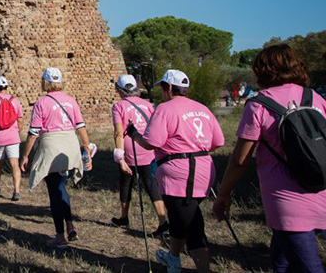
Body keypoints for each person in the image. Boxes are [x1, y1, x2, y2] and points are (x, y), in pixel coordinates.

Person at [213, 44, 326, 273]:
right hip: (321, 188)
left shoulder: (259, 104)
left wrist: (223, 194)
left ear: (262, 71)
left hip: (287, 203)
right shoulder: (315, 97)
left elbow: (240, 159)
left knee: (309, 267)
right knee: (281, 260)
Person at [127, 69, 224, 273]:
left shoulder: (165, 109)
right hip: (204, 171)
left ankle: (203, 269)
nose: (162, 92)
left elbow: (152, 142)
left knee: (193, 226)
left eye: (163, 88)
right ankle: (173, 258)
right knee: (180, 217)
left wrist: (135, 135)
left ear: (169, 88)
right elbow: (218, 141)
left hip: (180, 176)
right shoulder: (202, 108)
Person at [21, 67, 91, 249]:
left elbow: (33, 133)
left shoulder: (41, 103)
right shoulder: (71, 101)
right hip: (70, 144)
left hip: (52, 145)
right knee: (62, 187)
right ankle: (70, 224)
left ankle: (60, 236)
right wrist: (86, 152)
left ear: (45, 81)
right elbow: (81, 128)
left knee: (54, 191)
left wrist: (26, 155)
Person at [110, 74, 168, 235]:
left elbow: (118, 132)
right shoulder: (148, 105)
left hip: (130, 152)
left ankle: (123, 217)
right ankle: (163, 222)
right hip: (148, 149)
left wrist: (119, 157)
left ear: (120, 89)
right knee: (152, 185)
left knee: (126, 183)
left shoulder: (118, 106)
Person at [0, 76, 24, 200]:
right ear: (7, 86)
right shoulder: (15, 100)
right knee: (15, 165)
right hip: (13, 137)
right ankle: (16, 191)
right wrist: (17, 131)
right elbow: (20, 119)